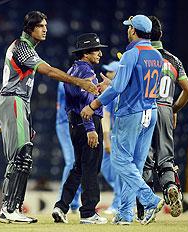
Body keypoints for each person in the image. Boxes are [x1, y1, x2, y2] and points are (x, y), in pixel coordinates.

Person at [0, 11, 99, 224]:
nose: (45, 29)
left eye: (46, 25)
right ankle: (9, 208)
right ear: (30, 28)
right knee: (21, 156)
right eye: (41, 26)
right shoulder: (22, 47)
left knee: (22, 155)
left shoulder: (26, 48)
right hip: (14, 99)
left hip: (18, 101)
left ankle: (10, 208)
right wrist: (79, 82)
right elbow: (49, 71)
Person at [80, 15, 165, 225]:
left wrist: (93, 105)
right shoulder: (156, 54)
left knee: (120, 160)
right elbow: (130, 83)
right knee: (134, 166)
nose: (127, 31)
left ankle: (150, 199)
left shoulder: (131, 54)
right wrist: (113, 83)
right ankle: (126, 213)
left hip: (131, 112)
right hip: (150, 110)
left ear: (134, 31)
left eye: (129, 28)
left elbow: (119, 89)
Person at [136, 15, 188, 220]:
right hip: (167, 109)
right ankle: (170, 186)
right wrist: (174, 109)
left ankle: (144, 210)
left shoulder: (142, 55)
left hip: (145, 109)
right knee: (166, 158)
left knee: (145, 160)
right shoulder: (173, 59)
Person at [52, 33, 108, 225]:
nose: (100, 53)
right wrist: (91, 128)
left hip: (73, 123)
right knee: (91, 167)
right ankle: (88, 212)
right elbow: (86, 102)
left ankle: (61, 206)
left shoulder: (72, 70)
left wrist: (100, 88)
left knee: (79, 167)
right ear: (85, 53)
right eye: (96, 49)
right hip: (88, 123)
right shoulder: (88, 73)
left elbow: (77, 98)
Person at [56, 82, 81, 213]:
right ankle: (61, 201)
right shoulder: (64, 83)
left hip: (77, 124)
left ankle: (74, 203)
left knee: (79, 163)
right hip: (65, 124)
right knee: (71, 162)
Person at [100, 61, 121, 215]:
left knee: (119, 171)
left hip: (118, 136)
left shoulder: (114, 91)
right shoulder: (113, 91)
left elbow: (105, 117)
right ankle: (122, 200)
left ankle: (118, 203)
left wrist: (106, 139)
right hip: (115, 135)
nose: (107, 74)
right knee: (108, 169)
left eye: (110, 72)